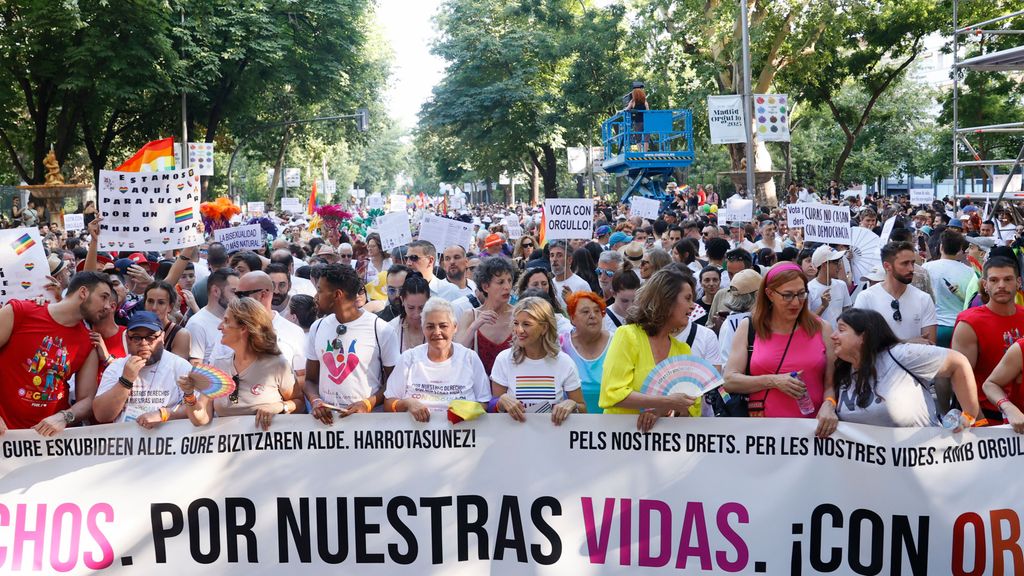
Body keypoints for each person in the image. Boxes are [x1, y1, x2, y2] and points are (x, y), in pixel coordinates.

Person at [722, 262, 838, 436]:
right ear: (769, 294)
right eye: (787, 295)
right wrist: (774, 381)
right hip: (762, 435)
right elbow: (730, 381)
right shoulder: (749, 327)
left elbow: (832, 384)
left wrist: (829, 404)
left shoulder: (823, 328)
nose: (796, 302)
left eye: (801, 294)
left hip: (812, 433)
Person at [0, 272, 113, 434]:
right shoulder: (21, 312)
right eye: (104, 297)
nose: (108, 306)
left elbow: (87, 399)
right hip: (5, 437)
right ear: (83, 292)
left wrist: (65, 416)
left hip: (48, 442)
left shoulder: (88, 341)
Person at [832, 308, 979, 428]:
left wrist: (969, 414)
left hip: (923, 458)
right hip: (874, 462)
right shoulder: (843, 371)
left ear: (863, 336)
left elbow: (958, 362)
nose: (833, 336)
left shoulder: (901, 355)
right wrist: (829, 406)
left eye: (841, 330)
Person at [601, 268, 703, 431]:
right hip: (618, 444)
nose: (693, 307)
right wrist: (666, 402)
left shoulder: (683, 350)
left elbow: (691, 409)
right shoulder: (627, 335)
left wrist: (661, 411)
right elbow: (612, 393)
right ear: (667, 300)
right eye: (688, 299)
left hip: (664, 448)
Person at [179, 299, 300, 430]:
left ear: (243, 328)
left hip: (267, 449)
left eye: (226, 321)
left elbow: (299, 403)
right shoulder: (219, 365)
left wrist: (280, 407)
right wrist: (189, 394)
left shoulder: (277, 365)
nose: (219, 326)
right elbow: (201, 418)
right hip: (227, 448)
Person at [305, 263, 399, 423]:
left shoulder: (381, 329)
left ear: (337, 295)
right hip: (327, 425)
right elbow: (310, 380)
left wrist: (367, 404)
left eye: (320, 290)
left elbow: (395, 382)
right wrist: (315, 401)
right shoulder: (317, 326)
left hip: (367, 427)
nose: (316, 295)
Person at [384, 298, 490, 421]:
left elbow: (484, 402)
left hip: (460, 435)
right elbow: (388, 404)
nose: (437, 332)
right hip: (416, 436)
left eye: (443, 326)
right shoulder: (409, 358)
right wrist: (408, 403)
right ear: (423, 329)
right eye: (430, 327)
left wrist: (464, 413)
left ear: (455, 327)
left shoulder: (469, 358)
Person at [952, 256, 1024, 424]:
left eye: (1008, 279)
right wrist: (978, 420)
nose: (1001, 285)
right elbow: (960, 377)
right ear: (985, 285)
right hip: (990, 418)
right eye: (994, 280)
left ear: (1018, 282)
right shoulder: (969, 323)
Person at [491, 297, 585, 425]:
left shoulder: (564, 362)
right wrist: (501, 401)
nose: (519, 330)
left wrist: (572, 405)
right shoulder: (504, 359)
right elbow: (491, 408)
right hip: (513, 439)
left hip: (553, 438)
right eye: (516, 323)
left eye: (526, 324)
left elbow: (583, 410)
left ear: (544, 328)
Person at [93, 311, 192, 426]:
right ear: (127, 339)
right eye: (136, 337)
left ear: (162, 337)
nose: (144, 343)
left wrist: (164, 415)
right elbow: (101, 415)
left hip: (167, 442)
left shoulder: (179, 366)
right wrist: (125, 381)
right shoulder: (117, 367)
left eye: (151, 337)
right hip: (126, 441)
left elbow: (198, 409)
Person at [854, 241, 937, 344]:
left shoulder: (924, 299)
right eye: (905, 263)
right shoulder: (866, 297)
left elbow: (929, 345)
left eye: (912, 263)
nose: (911, 269)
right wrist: (906, 343)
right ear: (887, 266)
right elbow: (860, 342)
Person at [234, 270, 307, 384]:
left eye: (241, 295)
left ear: (263, 294)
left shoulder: (293, 332)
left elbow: (302, 376)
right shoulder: (230, 329)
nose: (237, 300)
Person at [456, 257, 515, 375]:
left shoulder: (518, 315)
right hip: (479, 389)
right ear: (485, 287)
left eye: (509, 280)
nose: (507, 286)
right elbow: (457, 355)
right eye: (501, 282)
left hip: (510, 389)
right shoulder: (471, 315)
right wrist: (474, 327)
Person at [560, 292, 611, 414]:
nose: (593, 316)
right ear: (572, 318)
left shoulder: (616, 342)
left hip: (612, 424)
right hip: (573, 425)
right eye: (585, 312)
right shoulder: (561, 345)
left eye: (597, 311)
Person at [922, 230, 974, 347]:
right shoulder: (970, 272)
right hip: (962, 326)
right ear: (960, 249)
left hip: (935, 326)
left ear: (941, 247)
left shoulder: (926, 268)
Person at [187, 268, 239, 364]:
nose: (238, 297)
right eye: (234, 292)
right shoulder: (197, 324)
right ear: (215, 291)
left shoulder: (238, 318)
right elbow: (195, 368)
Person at [143, 281, 192, 361]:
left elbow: (176, 370)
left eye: (161, 303)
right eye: (150, 301)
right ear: (144, 303)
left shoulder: (180, 334)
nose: (154, 307)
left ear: (170, 306)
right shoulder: (136, 329)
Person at [807, 245, 852, 330]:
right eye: (836, 262)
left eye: (840, 262)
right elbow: (807, 323)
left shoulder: (841, 285)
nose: (840, 266)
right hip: (819, 339)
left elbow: (847, 313)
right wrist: (823, 306)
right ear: (824, 265)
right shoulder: (809, 289)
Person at [390, 273, 430, 353]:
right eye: (411, 308)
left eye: (421, 307)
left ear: (429, 301)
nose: (417, 313)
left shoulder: (438, 328)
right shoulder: (391, 329)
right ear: (402, 300)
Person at [549, 240, 590, 305]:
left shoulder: (582, 285)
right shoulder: (549, 285)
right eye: (552, 255)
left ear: (569, 260)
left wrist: (572, 301)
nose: (554, 259)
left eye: (559, 255)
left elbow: (588, 312)